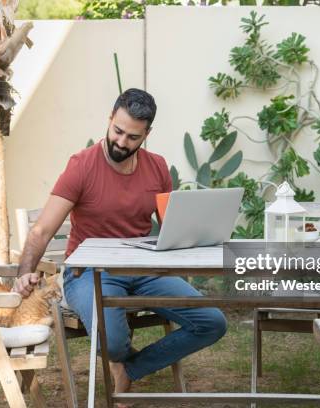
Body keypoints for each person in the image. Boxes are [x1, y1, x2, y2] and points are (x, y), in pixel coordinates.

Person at [13, 88, 227, 400]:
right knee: (111, 342)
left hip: (146, 271)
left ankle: (128, 370)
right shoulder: (81, 166)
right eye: (118, 131)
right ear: (110, 119)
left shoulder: (157, 167)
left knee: (212, 322)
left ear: (147, 134)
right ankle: (120, 361)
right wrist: (23, 273)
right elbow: (41, 230)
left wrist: (199, 233)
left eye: (133, 137)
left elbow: (172, 227)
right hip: (89, 273)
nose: (122, 142)